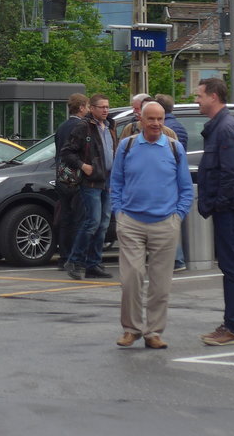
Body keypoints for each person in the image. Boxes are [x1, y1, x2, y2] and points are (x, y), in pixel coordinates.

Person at [110, 101, 193, 349]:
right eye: (151, 119)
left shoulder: (174, 148)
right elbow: (116, 182)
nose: (156, 123)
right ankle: (131, 329)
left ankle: (153, 332)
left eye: (160, 119)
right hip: (131, 223)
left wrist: (177, 216)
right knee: (132, 278)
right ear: (141, 121)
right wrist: (119, 213)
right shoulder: (127, 146)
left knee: (160, 284)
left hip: (165, 223)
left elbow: (185, 188)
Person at [195, 77, 234, 346]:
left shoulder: (226, 128)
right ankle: (230, 325)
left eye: (199, 95)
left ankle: (232, 328)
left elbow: (230, 173)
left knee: (232, 269)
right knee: (230, 267)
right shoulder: (221, 126)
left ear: (213, 97)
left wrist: (218, 203)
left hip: (230, 209)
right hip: (226, 207)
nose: (197, 100)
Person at [60, 93, 118, 281]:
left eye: (107, 107)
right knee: (92, 222)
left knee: (102, 224)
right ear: (91, 108)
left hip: (107, 180)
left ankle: (94, 263)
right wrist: (83, 166)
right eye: (101, 107)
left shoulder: (110, 126)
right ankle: (75, 260)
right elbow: (67, 152)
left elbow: (112, 151)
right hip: (91, 181)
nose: (105, 110)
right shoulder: (83, 127)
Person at [53, 93, 89, 269]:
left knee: (65, 217)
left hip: (62, 177)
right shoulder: (82, 126)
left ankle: (63, 257)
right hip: (78, 177)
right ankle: (76, 258)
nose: (88, 109)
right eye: (87, 106)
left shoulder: (62, 127)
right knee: (80, 218)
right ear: (81, 107)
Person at [155, 93, 190, 270]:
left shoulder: (163, 128)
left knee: (166, 222)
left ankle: (175, 259)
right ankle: (177, 259)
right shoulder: (180, 126)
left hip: (167, 179)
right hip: (177, 177)